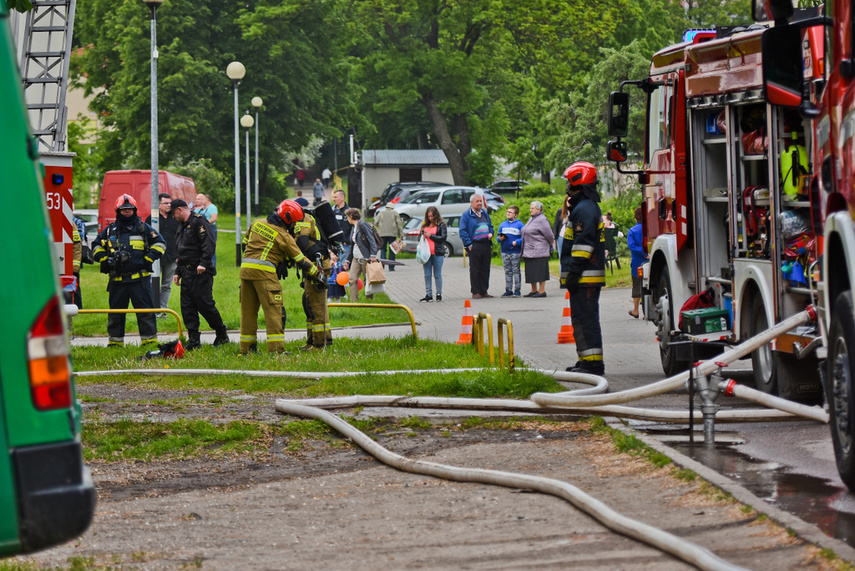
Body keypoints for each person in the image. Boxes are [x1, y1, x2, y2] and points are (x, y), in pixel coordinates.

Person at [238, 200, 326, 354]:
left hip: (245, 272)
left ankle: (246, 349)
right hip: (265, 274)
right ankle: (276, 350)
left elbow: (245, 245)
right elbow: (301, 261)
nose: (294, 226)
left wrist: (274, 258)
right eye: (294, 223)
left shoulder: (256, 223)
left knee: (248, 312)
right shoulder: (284, 236)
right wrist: (318, 274)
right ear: (288, 220)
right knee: (274, 312)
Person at [92, 194, 166, 347]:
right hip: (117, 280)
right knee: (115, 314)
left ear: (135, 210)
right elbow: (96, 246)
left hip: (140, 280)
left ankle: (149, 341)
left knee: (145, 312)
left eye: (130, 209)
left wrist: (148, 259)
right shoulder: (109, 231)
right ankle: (115, 343)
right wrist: (104, 260)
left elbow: (160, 243)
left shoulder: (143, 228)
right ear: (117, 211)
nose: (127, 211)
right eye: (124, 209)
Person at [560, 161, 606, 375]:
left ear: (576, 181)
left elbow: (583, 245)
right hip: (583, 277)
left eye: (568, 182)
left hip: (584, 277)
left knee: (586, 319)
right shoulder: (583, 207)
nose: (567, 187)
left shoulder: (585, 209)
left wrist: (574, 272)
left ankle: (594, 364)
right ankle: (586, 359)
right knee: (580, 318)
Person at [169, 199, 230, 350]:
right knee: (187, 307)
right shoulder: (181, 225)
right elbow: (181, 250)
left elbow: (208, 244)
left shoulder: (199, 222)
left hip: (200, 271)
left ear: (179, 210)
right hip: (186, 271)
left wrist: (203, 262)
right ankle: (194, 340)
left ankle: (221, 333)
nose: (173, 217)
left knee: (205, 305)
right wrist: (177, 272)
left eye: (173, 213)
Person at [286, 200, 333, 349]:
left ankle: (321, 343)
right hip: (312, 266)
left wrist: (286, 243)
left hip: (318, 267)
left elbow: (302, 242)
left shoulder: (304, 218)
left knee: (317, 306)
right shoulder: (304, 218)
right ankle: (311, 341)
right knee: (309, 304)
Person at [147, 193, 179, 317]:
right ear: (158, 205)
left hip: (172, 257)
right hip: (156, 258)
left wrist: (179, 255)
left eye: (170, 203)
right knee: (152, 284)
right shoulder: (151, 219)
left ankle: (163, 309)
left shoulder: (175, 218)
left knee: (167, 285)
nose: (169, 205)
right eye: (166, 203)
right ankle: (153, 310)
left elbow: (180, 237)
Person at [459, 193, 494, 299]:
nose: (479, 203)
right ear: (471, 203)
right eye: (477, 201)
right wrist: (469, 244)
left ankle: (484, 290)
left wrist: (491, 233)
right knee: (475, 269)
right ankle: (476, 291)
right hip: (474, 245)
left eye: (480, 201)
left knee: (485, 268)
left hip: (486, 244)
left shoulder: (484, 213)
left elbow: (490, 226)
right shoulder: (466, 215)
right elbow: (462, 231)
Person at [342, 208, 378, 302]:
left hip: (365, 257)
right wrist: (347, 260)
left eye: (347, 216)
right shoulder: (353, 227)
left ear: (351, 216)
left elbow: (371, 240)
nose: (347, 219)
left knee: (367, 280)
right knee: (352, 278)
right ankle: (354, 302)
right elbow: (352, 245)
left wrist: (373, 255)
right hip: (355, 258)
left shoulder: (362, 224)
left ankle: (369, 301)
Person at [521, 201, 555, 298]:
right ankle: (533, 290)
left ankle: (541, 291)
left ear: (539, 210)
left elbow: (549, 234)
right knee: (531, 271)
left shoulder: (542, 219)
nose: (530, 210)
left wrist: (549, 245)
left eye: (532, 208)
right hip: (529, 250)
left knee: (540, 271)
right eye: (530, 208)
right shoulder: (531, 218)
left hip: (539, 249)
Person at [418, 206, 447, 302]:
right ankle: (428, 294)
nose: (430, 218)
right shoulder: (424, 225)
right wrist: (423, 236)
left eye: (432, 216)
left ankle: (439, 294)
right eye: (429, 216)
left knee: (437, 274)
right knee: (427, 274)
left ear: (436, 215)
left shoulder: (441, 225)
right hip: (426, 254)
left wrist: (431, 236)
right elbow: (419, 238)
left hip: (437, 252)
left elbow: (443, 238)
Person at [497, 205, 524, 297]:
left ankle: (517, 289)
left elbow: (524, 237)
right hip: (505, 251)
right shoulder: (503, 225)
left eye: (510, 212)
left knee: (516, 270)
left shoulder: (520, 225)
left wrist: (517, 242)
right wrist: (500, 238)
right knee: (507, 271)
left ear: (515, 215)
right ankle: (508, 289)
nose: (508, 213)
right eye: (507, 212)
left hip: (515, 251)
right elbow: (497, 238)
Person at [627, 206, 648, 319]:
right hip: (649, 260)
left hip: (637, 261)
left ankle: (636, 310)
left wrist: (642, 252)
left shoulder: (632, 231)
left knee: (636, 286)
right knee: (649, 286)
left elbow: (632, 246)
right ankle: (647, 312)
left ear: (635, 218)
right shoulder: (649, 229)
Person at [374, 203, 404, 271]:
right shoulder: (395, 213)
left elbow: (375, 222)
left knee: (383, 250)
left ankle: (382, 266)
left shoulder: (381, 213)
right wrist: (401, 234)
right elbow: (399, 224)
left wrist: (380, 227)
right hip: (392, 234)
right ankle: (391, 267)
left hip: (382, 235)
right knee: (392, 250)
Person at [193, 193, 219, 266]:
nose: (201, 200)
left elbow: (214, 218)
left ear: (207, 200)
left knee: (211, 246)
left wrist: (205, 224)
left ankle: (212, 264)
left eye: (203, 199)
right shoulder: (205, 208)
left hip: (211, 228)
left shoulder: (212, 207)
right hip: (205, 228)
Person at [331, 189, 351, 262]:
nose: (334, 199)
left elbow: (353, 227)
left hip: (345, 244)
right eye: (333, 197)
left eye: (336, 197)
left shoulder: (349, 211)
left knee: (342, 266)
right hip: (334, 244)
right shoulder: (332, 211)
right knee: (333, 266)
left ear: (342, 198)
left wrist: (348, 240)